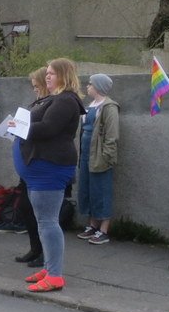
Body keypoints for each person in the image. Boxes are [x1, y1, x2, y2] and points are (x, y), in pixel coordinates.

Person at [13, 59, 85, 291]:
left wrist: (19, 127)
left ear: (64, 75)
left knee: (48, 222)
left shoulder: (66, 100)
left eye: (52, 73)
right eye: (48, 73)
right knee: (43, 221)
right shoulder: (56, 99)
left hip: (50, 168)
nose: (47, 76)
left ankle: (54, 275)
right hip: (41, 169)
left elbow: (48, 128)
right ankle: (49, 267)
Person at [74, 73, 120, 244]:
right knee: (88, 190)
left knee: (101, 191)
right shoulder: (90, 106)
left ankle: (104, 230)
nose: (87, 86)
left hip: (100, 156)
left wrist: (107, 156)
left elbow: (112, 135)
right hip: (86, 155)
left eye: (91, 84)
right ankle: (93, 226)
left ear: (99, 87)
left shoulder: (109, 107)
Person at [11, 68, 50, 264]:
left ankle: (43, 252)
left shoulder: (51, 104)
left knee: (39, 212)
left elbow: (45, 130)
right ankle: (35, 248)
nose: (34, 89)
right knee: (26, 207)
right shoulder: (37, 103)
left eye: (37, 86)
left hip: (39, 162)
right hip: (27, 161)